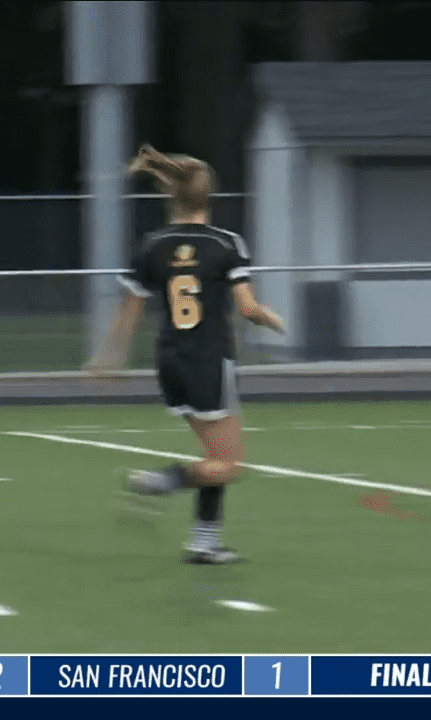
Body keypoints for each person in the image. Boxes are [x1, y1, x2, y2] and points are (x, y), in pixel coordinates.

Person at [86, 144, 286, 564]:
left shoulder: (153, 245)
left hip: (171, 361)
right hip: (210, 360)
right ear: (209, 195)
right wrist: (270, 318)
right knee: (230, 464)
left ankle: (204, 542)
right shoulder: (227, 243)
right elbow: (247, 308)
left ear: (172, 195)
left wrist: (110, 356)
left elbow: (130, 310)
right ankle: (157, 482)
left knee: (215, 455)